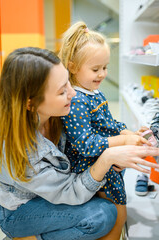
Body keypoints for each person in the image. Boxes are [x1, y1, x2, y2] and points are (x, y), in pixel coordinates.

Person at [0, 47, 159, 240]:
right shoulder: (19, 149)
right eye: (62, 91)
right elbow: (70, 191)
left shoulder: (58, 115)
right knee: (101, 216)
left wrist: (123, 142)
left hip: (53, 193)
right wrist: (107, 157)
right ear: (30, 103)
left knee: (114, 177)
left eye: (68, 84)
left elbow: (90, 143)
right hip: (20, 210)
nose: (73, 93)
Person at [58, 21, 150, 239]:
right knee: (118, 216)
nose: (102, 74)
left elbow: (110, 124)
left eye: (105, 67)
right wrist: (123, 142)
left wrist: (129, 133)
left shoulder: (94, 93)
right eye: (95, 69)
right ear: (72, 67)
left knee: (118, 216)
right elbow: (85, 144)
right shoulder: (78, 101)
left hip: (105, 161)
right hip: (92, 167)